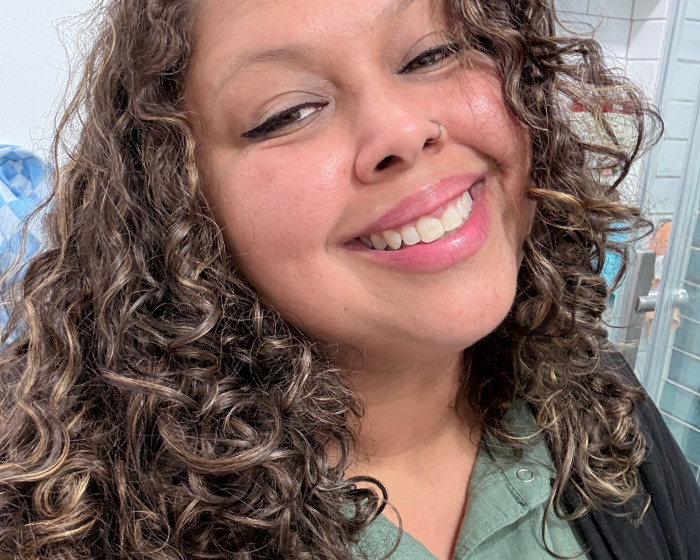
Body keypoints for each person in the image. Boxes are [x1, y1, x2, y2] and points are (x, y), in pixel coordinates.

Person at [0, 1, 698, 559]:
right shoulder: (60, 525)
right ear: (174, 201)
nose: (403, 130)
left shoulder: (600, 402)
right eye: (288, 113)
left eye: (431, 54)